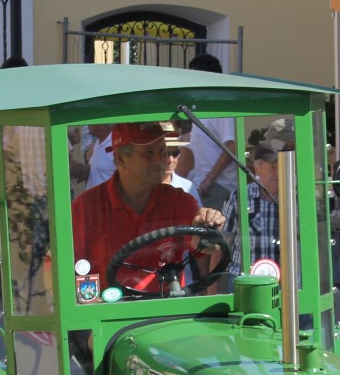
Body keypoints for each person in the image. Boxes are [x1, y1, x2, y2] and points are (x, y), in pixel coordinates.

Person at [71, 122, 225, 294]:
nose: (162, 160)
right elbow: (60, 270)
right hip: (108, 315)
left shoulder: (180, 201)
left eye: (163, 151)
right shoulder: (86, 207)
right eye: (149, 153)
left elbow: (206, 252)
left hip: (166, 313)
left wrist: (209, 228)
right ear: (121, 159)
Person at [220, 121, 292, 273]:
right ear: (257, 169)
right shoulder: (238, 198)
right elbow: (222, 244)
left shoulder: (294, 199)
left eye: (281, 167)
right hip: (244, 282)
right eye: (273, 168)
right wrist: (213, 290)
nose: (278, 173)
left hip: (286, 284)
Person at [180, 53, 237, 211]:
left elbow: (231, 146)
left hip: (219, 187)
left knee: (214, 234)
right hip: (203, 185)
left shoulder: (222, 106)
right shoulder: (204, 107)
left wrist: (209, 180)